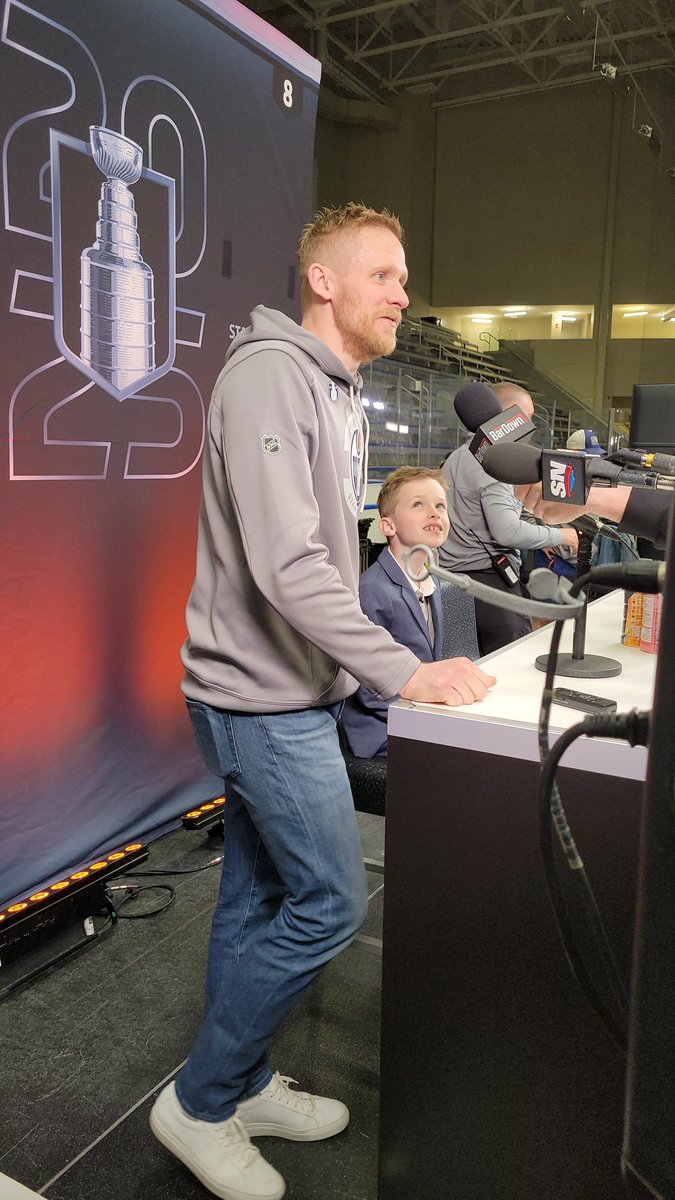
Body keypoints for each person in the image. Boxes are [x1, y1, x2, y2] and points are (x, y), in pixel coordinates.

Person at [149, 202, 496, 1200]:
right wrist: (402, 669)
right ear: (325, 282)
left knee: (258, 895)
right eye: (383, 274)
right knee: (334, 902)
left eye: (401, 275)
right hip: (259, 700)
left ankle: (243, 1081)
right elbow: (288, 565)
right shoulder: (268, 377)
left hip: (286, 686)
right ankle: (202, 1099)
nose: (402, 293)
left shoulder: (331, 386)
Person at [440, 381, 579, 655]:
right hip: (487, 587)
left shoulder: (459, 456)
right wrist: (562, 535)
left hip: (451, 584)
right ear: (504, 417)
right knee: (506, 673)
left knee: (462, 666)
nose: (528, 428)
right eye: (525, 418)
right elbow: (507, 531)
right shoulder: (493, 461)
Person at [341, 465, 450, 759]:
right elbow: (366, 686)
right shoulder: (373, 589)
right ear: (388, 526)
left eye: (440, 505)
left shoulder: (434, 580)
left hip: (421, 713)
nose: (434, 513)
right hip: (383, 726)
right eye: (419, 504)